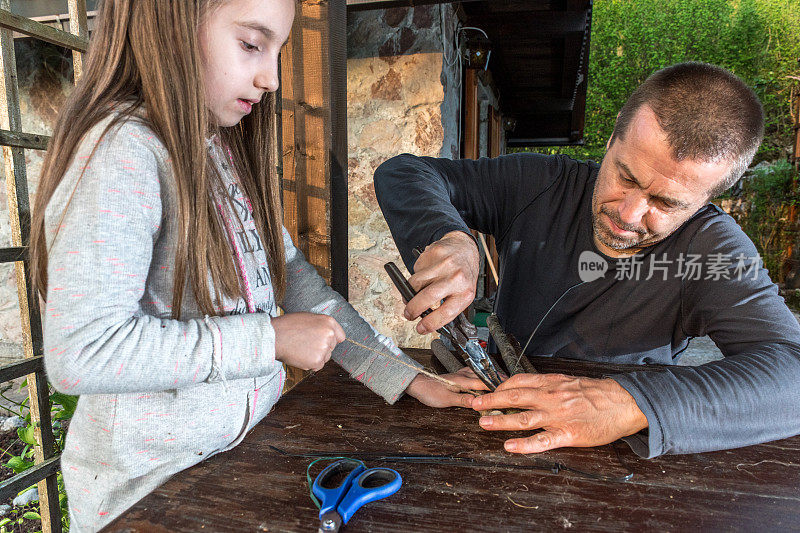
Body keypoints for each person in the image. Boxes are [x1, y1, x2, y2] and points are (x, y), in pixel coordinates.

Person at [29, 1, 481, 530]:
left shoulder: (216, 150)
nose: (271, 77)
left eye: (278, 51)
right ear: (172, 23)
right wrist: (267, 339)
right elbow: (82, 351)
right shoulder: (121, 154)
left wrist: (405, 377)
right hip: (146, 500)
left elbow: (297, 285)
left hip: (225, 468)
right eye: (251, 45)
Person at [374, 62, 800, 460]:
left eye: (666, 203)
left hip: (615, 454)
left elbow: (792, 375)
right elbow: (404, 173)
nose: (629, 215)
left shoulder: (715, 250)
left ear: (708, 198)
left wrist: (632, 402)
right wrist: (450, 236)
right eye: (625, 176)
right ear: (613, 138)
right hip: (491, 417)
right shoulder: (541, 185)